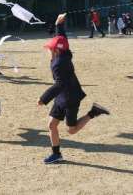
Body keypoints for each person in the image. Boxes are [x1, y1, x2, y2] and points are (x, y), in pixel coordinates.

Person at [38, 35, 110, 164]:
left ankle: (93, 112)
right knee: (52, 125)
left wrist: (43, 99)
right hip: (61, 97)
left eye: (50, 48)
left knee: (71, 130)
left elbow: (60, 84)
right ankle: (56, 154)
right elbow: (63, 40)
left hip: (70, 99)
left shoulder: (59, 64)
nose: (48, 50)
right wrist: (59, 26)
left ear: (56, 50)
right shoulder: (65, 54)